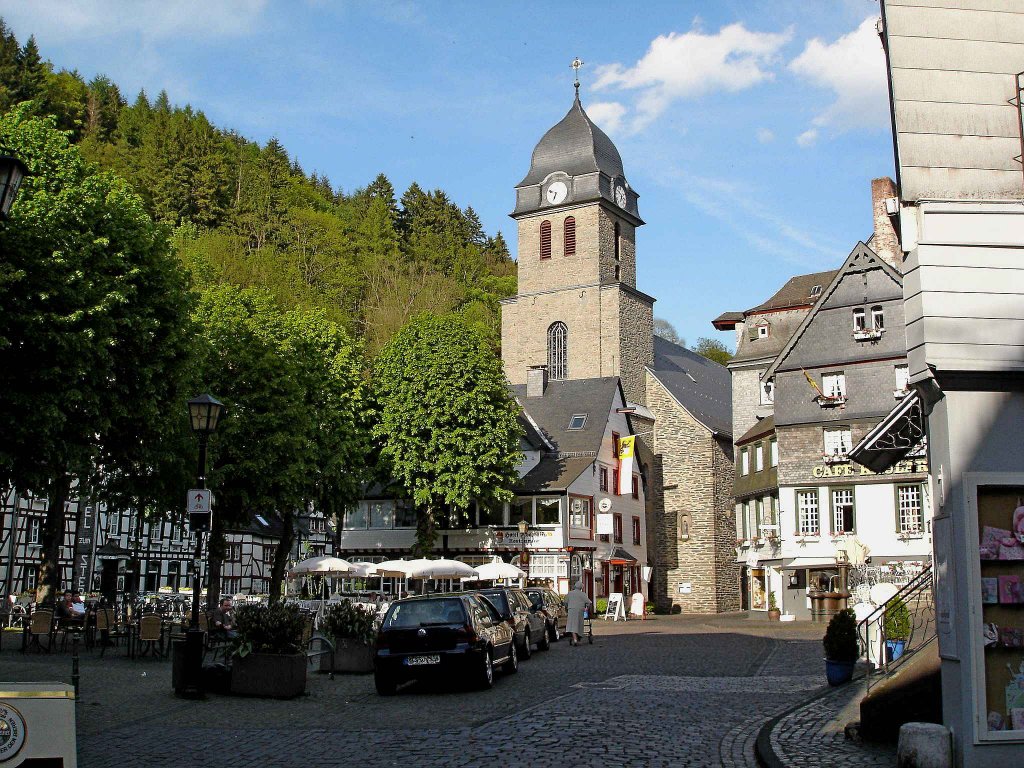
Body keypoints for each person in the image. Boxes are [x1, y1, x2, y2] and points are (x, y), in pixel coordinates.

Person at [565, 581, 592, 647]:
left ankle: (575, 639)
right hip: (580, 611)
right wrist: (586, 608)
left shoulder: (570, 593)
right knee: (579, 624)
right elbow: (589, 602)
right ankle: (578, 637)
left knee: (572, 625)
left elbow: (565, 602)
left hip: (571, 610)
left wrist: (567, 607)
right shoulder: (583, 594)